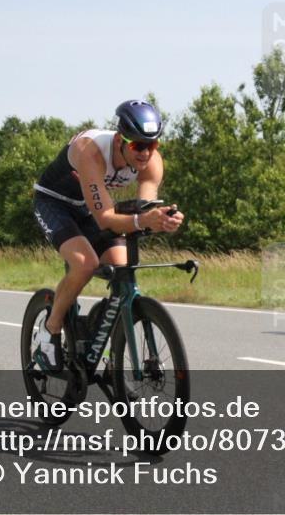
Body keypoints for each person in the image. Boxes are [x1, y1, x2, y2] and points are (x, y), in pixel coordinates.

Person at [31, 100, 184, 373]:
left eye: (152, 145)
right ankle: (49, 330)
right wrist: (141, 220)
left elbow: (142, 209)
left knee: (121, 266)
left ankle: (107, 341)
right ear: (119, 140)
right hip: (55, 203)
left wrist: (161, 219)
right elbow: (106, 219)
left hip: (89, 208)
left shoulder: (151, 162)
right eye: (137, 145)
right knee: (85, 264)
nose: (145, 153)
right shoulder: (89, 152)